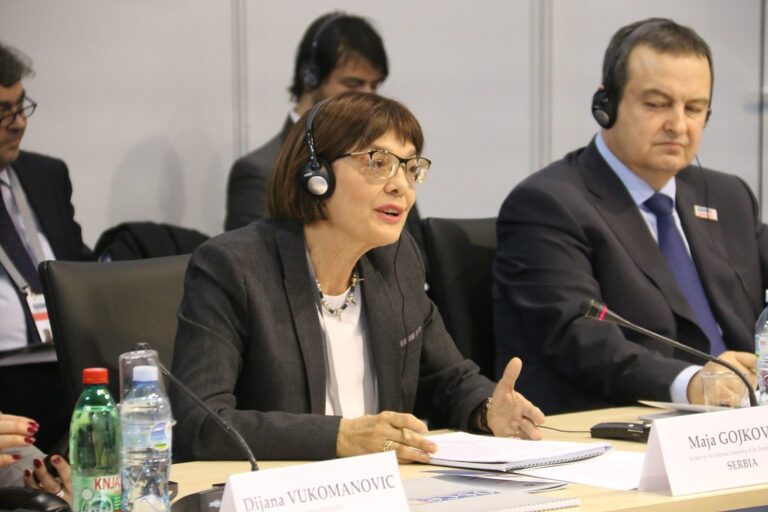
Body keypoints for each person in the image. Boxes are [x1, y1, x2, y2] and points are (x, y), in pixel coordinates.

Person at [173, 91, 544, 462]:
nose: (402, 186)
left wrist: (487, 409)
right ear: (315, 174)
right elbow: (199, 423)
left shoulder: (396, 260)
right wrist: (340, 438)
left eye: (410, 168)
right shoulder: (234, 267)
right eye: (378, 162)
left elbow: (447, 379)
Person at [493, 18, 763, 414]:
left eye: (694, 108)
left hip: (745, 420)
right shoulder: (548, 204)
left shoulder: (728, 196)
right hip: (629, 422)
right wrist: (691, 383)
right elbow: (576, 337)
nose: (678, 125)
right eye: (656, 104)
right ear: (606, 105)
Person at [225, 12, 424, 250]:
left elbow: (413, 257)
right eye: (353, 84)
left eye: (374, 85)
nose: (368, 96)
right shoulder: (260, 171)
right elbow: (248, 264)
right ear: (310, 78)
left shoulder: (395, 167)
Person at [0, 41, 93, 451]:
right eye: (3, 111)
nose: (18, 123)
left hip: (66, 375)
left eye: (21, 106)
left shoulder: (46, 176)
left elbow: (82, 273)